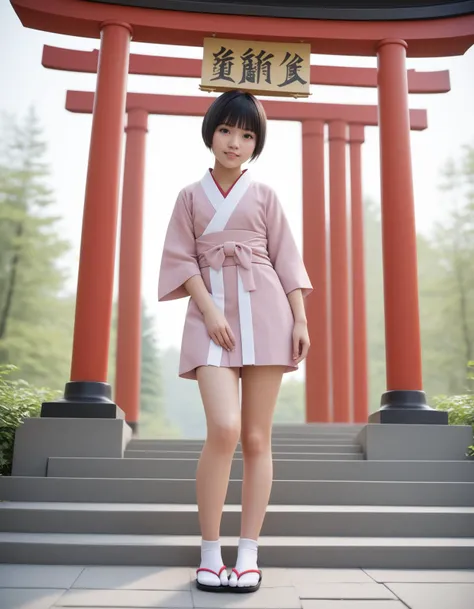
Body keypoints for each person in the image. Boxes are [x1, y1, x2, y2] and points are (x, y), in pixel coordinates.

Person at [158, 90, 312, 593]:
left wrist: (300, 320)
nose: (235, 142)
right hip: (210, 319)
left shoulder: (266, 196)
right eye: (227, 130)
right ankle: (209, 552)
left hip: (267, 312)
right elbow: (180, 261)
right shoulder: (188, 196)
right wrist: (208, 310)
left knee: (256, 437)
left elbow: (287, 260)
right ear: (211, 131)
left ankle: (247, 553)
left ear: (256, 144)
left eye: (247, 135)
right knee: (223, 428)